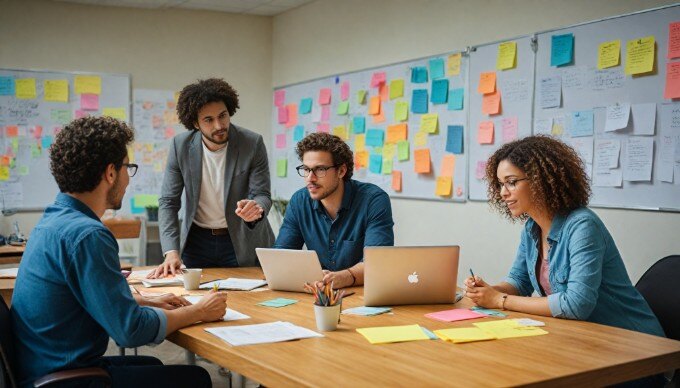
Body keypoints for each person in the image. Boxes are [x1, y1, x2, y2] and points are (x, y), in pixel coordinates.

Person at [11, 116, 228, 388]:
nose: (128, 179)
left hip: (42, 369)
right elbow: (130, 330)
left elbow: (82, 296)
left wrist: (145, 302)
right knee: (196, 379)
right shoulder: (89, 235)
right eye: (128, 168)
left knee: (154, 366)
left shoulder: (53, 220)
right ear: (110, 173)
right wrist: (198, 312)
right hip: (63, 380)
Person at [464, 135, 664, 338]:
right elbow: (519, 281)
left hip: (634, 342)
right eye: (500, 184)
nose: (502, 193)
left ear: (539, 181)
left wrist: (499, 300)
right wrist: (487, 292)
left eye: (511, 182)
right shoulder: (532, 227)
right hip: (586, 337)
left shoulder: (583, 226)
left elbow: (577, 304)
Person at [150, 78, 274, 278]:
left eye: (222, 116)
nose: (219, 125)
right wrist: (171, 251)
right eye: (208, 120)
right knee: (196, 302)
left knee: (248, 300)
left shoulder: (252, 143)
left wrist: (256, 208)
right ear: (195, 123)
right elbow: (168, 202)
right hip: (197, 241)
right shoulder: (179, 146)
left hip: (242, 239)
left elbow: (263, 195)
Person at [274, 132, 394, 288]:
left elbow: (378, 262)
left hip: (363, 295)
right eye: (306, 169)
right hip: (320, 294)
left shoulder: (373, 200)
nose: (310, 178)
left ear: (341, 171)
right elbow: (281, 256)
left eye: (320, 169)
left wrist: (346, 276)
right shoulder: (299, 201)